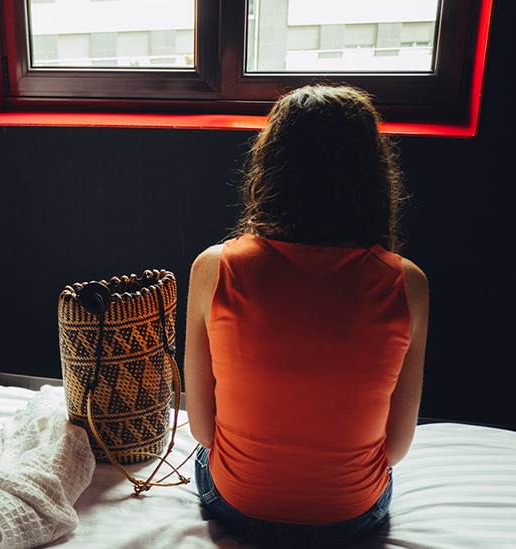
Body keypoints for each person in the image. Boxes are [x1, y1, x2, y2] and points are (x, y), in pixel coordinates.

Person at [183, 84, 429, 547]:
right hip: (350, 518)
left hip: (237, 506)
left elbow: (202, 429)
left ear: (270, 166)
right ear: (373, 174)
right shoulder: (406, 283)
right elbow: (394, 450)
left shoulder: (213, 268)